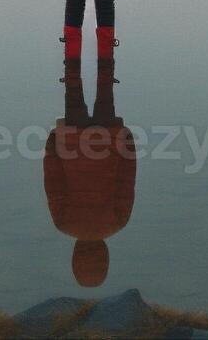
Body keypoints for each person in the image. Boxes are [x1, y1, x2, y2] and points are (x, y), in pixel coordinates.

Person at [42, 61, 135, 287]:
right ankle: (73, 34)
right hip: (72, 140)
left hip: (109, 139)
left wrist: (127, 142)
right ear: (75, 258)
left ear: (104, 258)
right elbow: (54, 181)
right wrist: (54, 143)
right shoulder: (63, 224)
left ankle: (105, 34)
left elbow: (126, 178)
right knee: (73, 88)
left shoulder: (118, 223)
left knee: (105, 90)